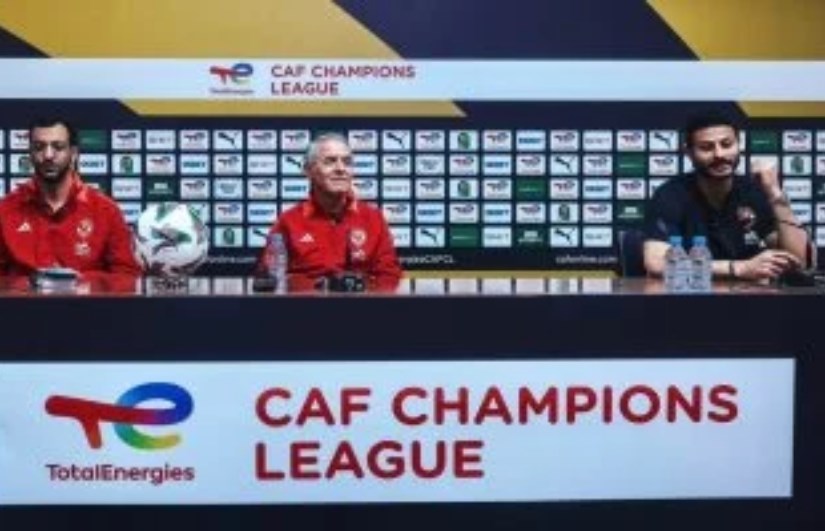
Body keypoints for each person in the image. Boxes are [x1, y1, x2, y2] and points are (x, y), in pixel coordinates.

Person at [643, 111, 810, 281]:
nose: (719, 154)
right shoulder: (670, 194)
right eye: (706, 147)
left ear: (738, 145)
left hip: (749, 294)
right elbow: (656, 263)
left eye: (727, 144)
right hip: (690, 293)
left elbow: (798, 261)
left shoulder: (754, 191)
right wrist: (738, 268)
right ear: (689, 152)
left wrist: (776, 196)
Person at [258, 132, 401, 291]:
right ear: (308, 170)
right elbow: (269, 279)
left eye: (347, 162)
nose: (340, 169)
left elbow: (389, 275)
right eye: (330, 161)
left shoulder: (373, 218)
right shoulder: (288, 221)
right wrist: (322, 288)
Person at [0, 118, 141, 277]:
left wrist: (82, 283)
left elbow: (127, 276)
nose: (48, 155)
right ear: (30, 154)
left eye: (58, 147)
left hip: (87, 295)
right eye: (39, 147)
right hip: (22, 295)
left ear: (73, 153)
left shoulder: (106, 211)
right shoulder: (5, 210)